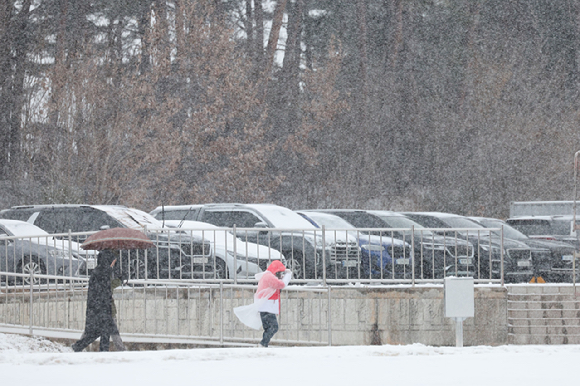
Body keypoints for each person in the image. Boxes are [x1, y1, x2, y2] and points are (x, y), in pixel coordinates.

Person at [234, 260, 292, 347]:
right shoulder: (269, 277)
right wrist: (288, 275)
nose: (280, 275)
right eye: (279, 272)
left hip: (266, 307)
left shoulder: (268, 276)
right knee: (273, 327)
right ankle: (263, 344)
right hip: (267, 307)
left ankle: (263, 344)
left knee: (269, 328)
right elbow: (281, 285)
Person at [72, 249, 119, 352]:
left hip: (98, 308)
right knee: (100, 332)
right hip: (101, 308)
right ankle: (78, 347)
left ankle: (82, 347)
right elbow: (104, 292)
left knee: (102, 332)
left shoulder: (100, 271)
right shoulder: (103, 273)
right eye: (112, 260)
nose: (113, 262)